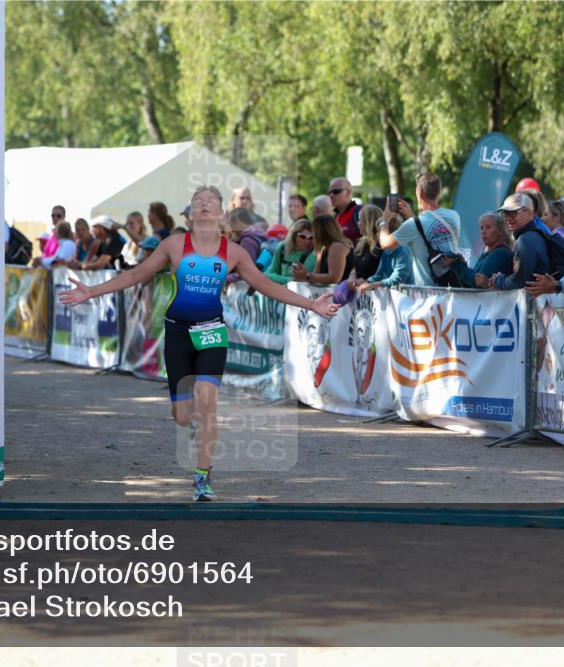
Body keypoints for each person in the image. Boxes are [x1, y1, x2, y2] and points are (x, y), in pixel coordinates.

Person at [60, 185, 338, 502]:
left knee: (208, 403)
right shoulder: (174, 245)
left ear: (220, 212)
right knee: (182, 415)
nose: (204, 206)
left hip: (211, 332)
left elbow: (264, 285)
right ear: (191, 213)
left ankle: (202, 478)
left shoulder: (233, 252)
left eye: (211, 202)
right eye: (198, 202)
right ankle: (189, 423)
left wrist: (311, 304)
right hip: (178, 332)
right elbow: (136, 274)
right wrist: (90, 292)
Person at [377, 172, 461, 286]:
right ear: (439, 191)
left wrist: (384, 220)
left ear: (420, 193)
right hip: (452, 288)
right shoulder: (454, 216)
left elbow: (385, 244)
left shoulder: (413, 225)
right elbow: (425, 234)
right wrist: (412, 217)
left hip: (428, 294)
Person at [477, 193, 550, 290]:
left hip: (535, 302)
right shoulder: (531, 236)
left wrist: (498, 280)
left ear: (529, 214)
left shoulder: (526, 240)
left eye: (513, 213)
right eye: (505, 213)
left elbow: (519, 282)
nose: (508, 218)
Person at [449, 212, 514, 288]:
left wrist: (457, 265)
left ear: (500, 231)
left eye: (488, 227)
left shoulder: (500, 253)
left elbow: (478, 284)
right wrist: (461, 264)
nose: (483, 231)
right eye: (481, 228)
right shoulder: (487, 254)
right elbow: (470, 283)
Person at [356, 214, 412, 291]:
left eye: (379, 231)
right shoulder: (386, 251)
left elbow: (399, 277)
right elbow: (379, 274)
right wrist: (367, 282)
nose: (376, 235)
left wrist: (372, 285)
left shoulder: (402, 250)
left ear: (389, 232)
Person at [294, 213, 354, 285]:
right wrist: (302, 274)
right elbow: (316, 275)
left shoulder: (337, 246)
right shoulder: (324, 248)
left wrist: (307, 276)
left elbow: (334, 278)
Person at [265, 219, 316, 284]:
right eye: (302, 236)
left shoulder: (312, 255)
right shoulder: (282, 247)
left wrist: (274, 277)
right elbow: (270, 272)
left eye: (310, 237)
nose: (307, 241)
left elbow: (298, 282)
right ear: (293, 235)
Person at [351, 205, 383, 280]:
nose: (358, 223)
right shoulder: (363, 243)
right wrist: (352, 276)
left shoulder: (381, 246)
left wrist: (367, 282)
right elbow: (356, 267)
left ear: (368, 222)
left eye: (359, 220)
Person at [328, 177, 361, 243]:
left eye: (336, 191)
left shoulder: (360, 212)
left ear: (348, 193)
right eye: (329, 192)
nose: (331, 195)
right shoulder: (333, 217)